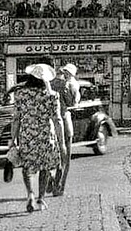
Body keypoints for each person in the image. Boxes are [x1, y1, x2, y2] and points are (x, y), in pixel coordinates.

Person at [9, 63, 66, 212]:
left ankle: (30, 194)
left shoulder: (21, 94)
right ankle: (41, 198)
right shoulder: (52, 96)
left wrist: (12, 139)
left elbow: (16, 119)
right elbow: (58, 120)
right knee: (45, 168)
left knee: (27, 166)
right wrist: (62, 142)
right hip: (46, 136)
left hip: (27, 136)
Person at [50, 62, 81, 195]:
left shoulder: (50, 83)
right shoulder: (69, 85)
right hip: (64, 120)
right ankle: (60, 186)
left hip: (50, 123)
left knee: (52, 154)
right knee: (65, 157)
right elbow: (72, 103)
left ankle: (51, 179)